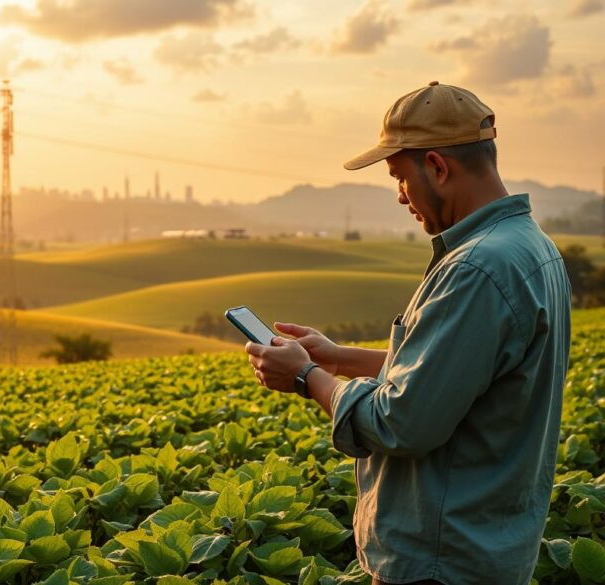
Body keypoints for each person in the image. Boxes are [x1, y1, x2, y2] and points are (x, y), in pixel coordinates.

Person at [244, 81, 571, 585]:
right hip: (486, 548)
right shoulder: (531, 247)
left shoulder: (478, 268)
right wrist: (337, 356)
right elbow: (454, 371)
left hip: (442, 560)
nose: (401, 196)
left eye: (399, 177)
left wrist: (308, 377)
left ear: (438, 167)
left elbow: (402, 421)